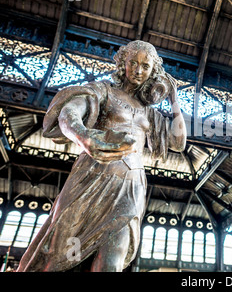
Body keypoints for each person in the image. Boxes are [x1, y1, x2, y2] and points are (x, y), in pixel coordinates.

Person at [17, 40, 186, 272]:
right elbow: (70, 111)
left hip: (131, 186)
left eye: (145, 66)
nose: (138, 70)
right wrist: (84, 136)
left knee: (111, 263)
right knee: (58, 256)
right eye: (133, 63)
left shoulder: (149, 112)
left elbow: (178, 142)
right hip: (92, 178)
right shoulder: (104, 91)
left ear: (153, 72)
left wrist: (174, 99)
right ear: (122, 64)